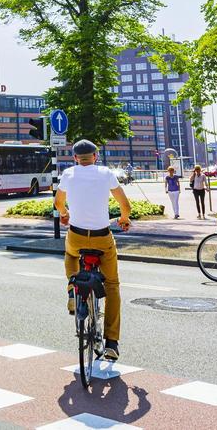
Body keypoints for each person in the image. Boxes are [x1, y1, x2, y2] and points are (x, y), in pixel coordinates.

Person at [54, 139, 131, 362]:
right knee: (113, 285)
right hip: (102, 238)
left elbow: (58, 203)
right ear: (95, 156)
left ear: (75, 158)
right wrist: (124, 219)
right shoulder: (106, 173)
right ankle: (112, 343)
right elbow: (125, 206)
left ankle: (71, 288)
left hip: (77, 236)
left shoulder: (68, 174)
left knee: (69, 254)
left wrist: (65, 214)